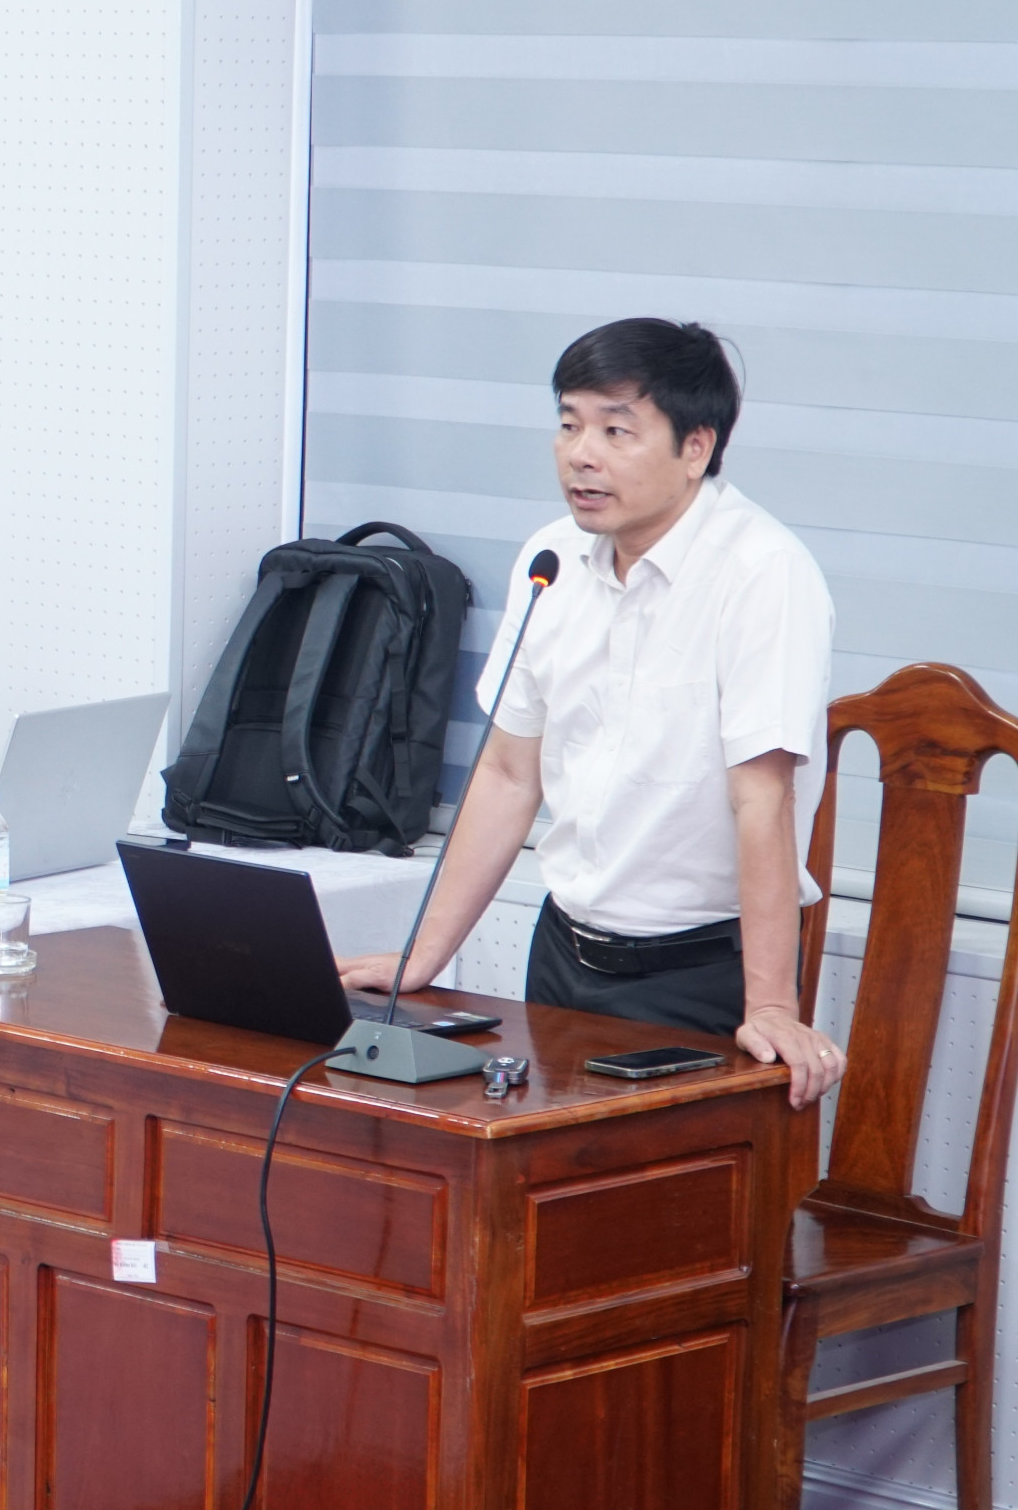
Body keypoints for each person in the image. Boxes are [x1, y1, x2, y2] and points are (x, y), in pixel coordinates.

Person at [337, 318, 843, 1109]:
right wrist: (423, 952)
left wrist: (772, 1003)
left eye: (616, 430)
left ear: (696, 447)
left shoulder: (762, 573)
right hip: (561, 953)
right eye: (569, 424)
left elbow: (763, 796)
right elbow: (509, 772)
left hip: (694, 973)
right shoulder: (551, 560)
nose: (581, 453)